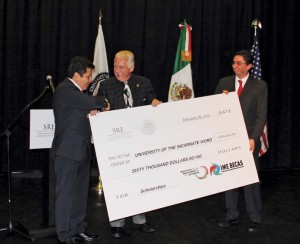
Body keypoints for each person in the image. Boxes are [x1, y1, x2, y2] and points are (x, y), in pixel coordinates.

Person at [97, 50, 161, 238]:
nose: (116, 70)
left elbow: (153, 105)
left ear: (131, 67)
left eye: (121, 67)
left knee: (140, 181)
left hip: (140, 143)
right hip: (117, 145)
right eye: (115, 66)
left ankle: (140, 220)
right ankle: (117, 224)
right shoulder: (106, 85)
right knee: (118, 183)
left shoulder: (144, 83)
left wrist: (156, 103)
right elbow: (99, 109)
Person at [50, 56, 109, 244]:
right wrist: (100, 104)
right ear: (76, 75)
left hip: (81, 151)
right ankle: (65, 236)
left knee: (80, 195)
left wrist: (92, 111)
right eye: (88, 76)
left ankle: (77, 229)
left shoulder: (76, 95)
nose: (90, 80)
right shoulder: (65, 89)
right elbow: (94, 101)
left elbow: (83, 109)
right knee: (66, 194)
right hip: (67, 152)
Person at [215, 50, 268, 232]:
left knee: (250, 180)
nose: (234, 66)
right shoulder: (224, 83)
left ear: (249, 66)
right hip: (227, 139)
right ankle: (232, 215)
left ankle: (254, 217)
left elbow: (261, 116)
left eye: (238, 63)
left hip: (248, 140)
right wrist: (220, 100)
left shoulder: (259, 86)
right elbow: (214, 109)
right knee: (230, 178)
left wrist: (254, 137)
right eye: (233, 63)